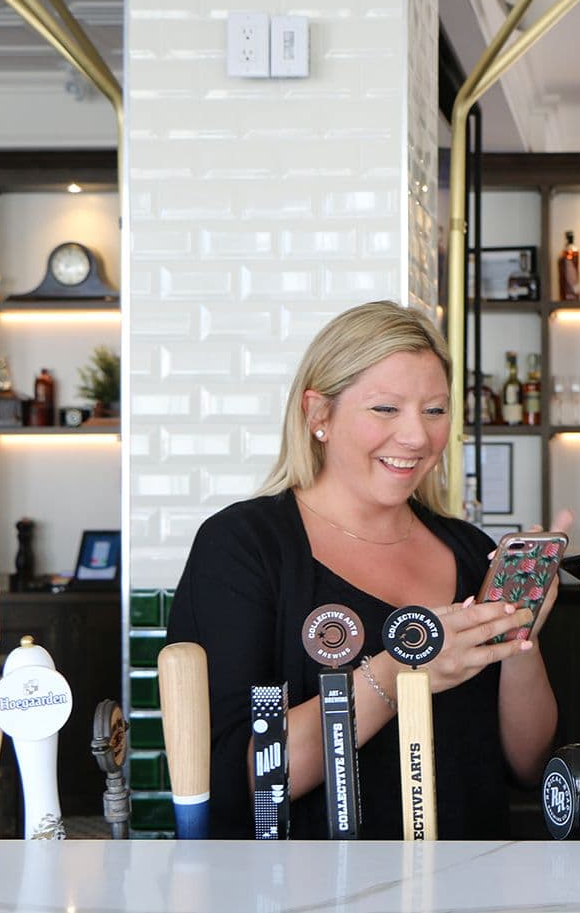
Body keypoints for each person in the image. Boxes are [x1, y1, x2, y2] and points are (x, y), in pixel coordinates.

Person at [167, 301, 557, 839]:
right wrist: (402, 672)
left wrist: (521, 636)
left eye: (435, 410)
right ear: (318, 415)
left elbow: (528, 764)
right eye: (386, 409)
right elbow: (243, 776)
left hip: (467, 882)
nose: (418, 437)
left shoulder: (470, 552)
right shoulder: (245, 545)